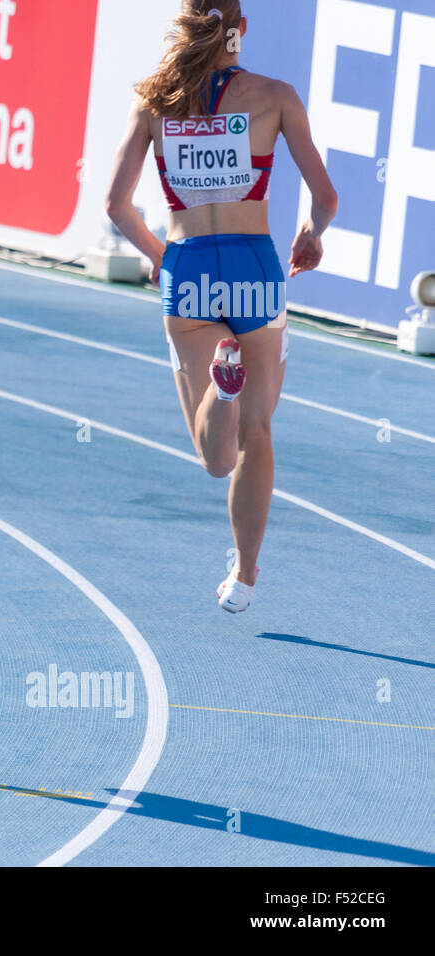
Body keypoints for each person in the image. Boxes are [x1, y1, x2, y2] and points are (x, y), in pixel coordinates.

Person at [105, 0, 337, 612]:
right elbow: (326, 196)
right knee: (257, 436)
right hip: (256, 268)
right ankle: (245, 576)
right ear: (242, 28)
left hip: (191, 269)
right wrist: (312, 233)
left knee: (216, 458)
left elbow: (116, 206)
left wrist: (163, 257)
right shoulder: (275, 95)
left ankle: (221, 386)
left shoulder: (155, 101)